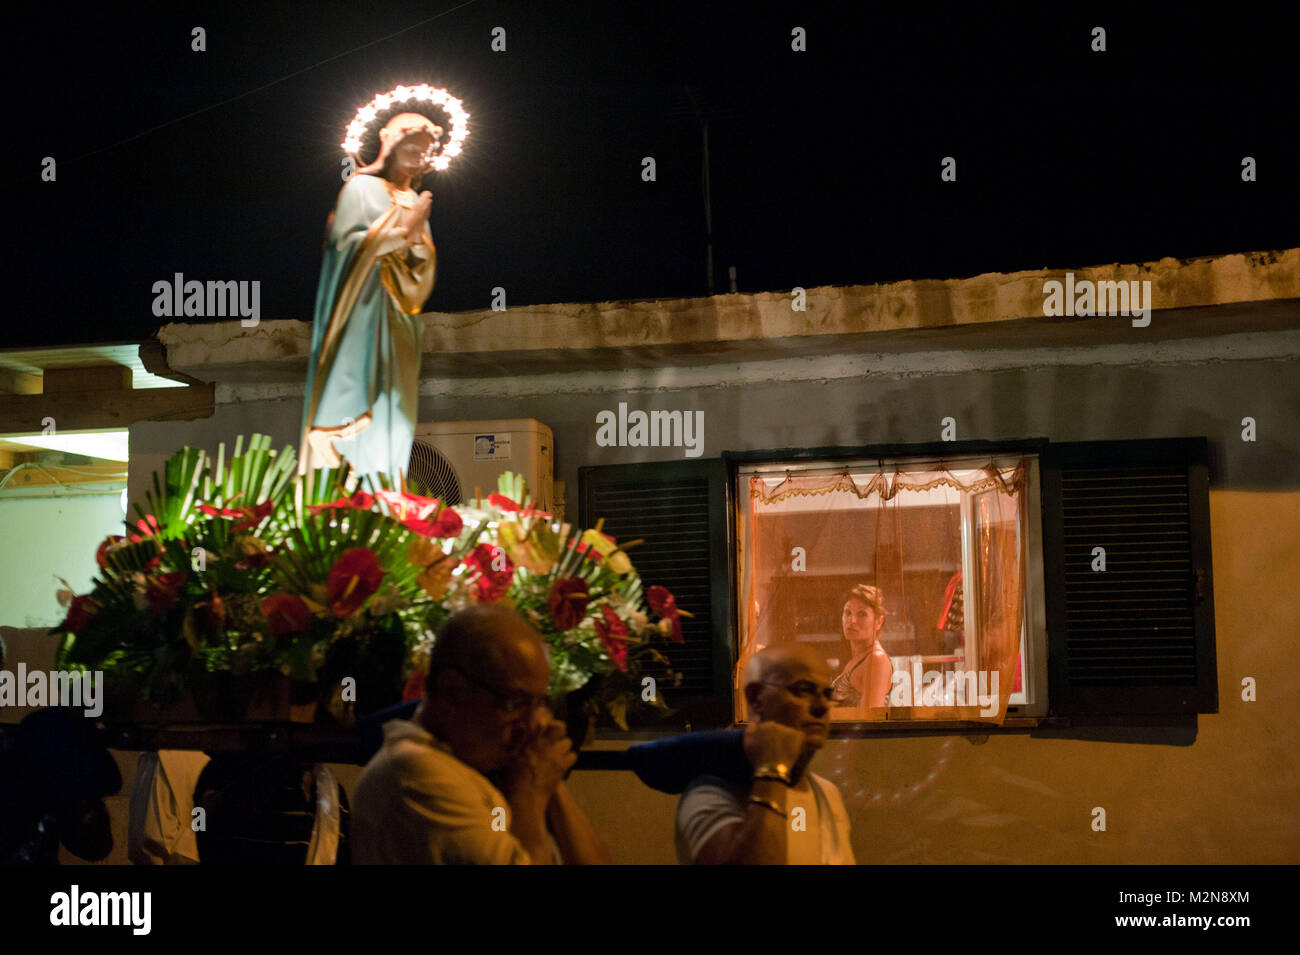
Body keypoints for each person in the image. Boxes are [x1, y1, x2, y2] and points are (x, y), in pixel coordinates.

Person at [351, 605, 610, 864]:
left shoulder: (483, 763)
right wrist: (529, 791)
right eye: (514, 703)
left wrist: (548, 779)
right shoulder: (418, 772)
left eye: (539, 703)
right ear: (452, 690)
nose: (531, 725)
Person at [301, 111, 441, 487]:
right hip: (360, 310)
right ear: (389, 143)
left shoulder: (413, 198)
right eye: (410, 147)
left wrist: (414, 239)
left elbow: (423, 264)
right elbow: (344, 245)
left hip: (400, 316)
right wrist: (401, 232)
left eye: (423, 151)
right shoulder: (361, 189)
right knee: (363, 396)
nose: (416, 157)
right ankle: (348, 488)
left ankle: (385, 489)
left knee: (396, 407)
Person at [675, 644, 855, 864]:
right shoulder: (711, 794)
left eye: (827, 694)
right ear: (756, 698)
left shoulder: (827, 795)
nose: (821, 707)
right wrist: (773, 767)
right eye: (803, 690)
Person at [830, 584, 894, 708]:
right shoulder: (859, 658)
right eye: (847, 612)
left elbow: (869, 720)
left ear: (878, 622)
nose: (852, 620)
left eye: (862, 614)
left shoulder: (876, 659)